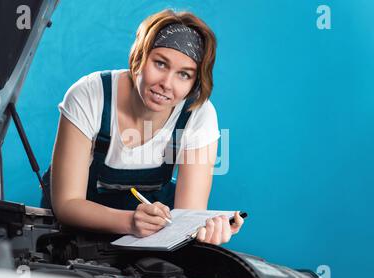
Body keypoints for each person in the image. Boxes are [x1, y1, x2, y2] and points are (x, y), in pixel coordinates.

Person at [41, 9, 244, 245]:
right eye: (160, 63)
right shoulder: (90, 95)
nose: (166, 84)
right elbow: (67, 204)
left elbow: (188, 216)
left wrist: (202, 232)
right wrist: (129, 222)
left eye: (184, 75)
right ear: (140, 56)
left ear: (195, 83)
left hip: (148, 244)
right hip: (71, 240)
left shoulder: (197, 114)